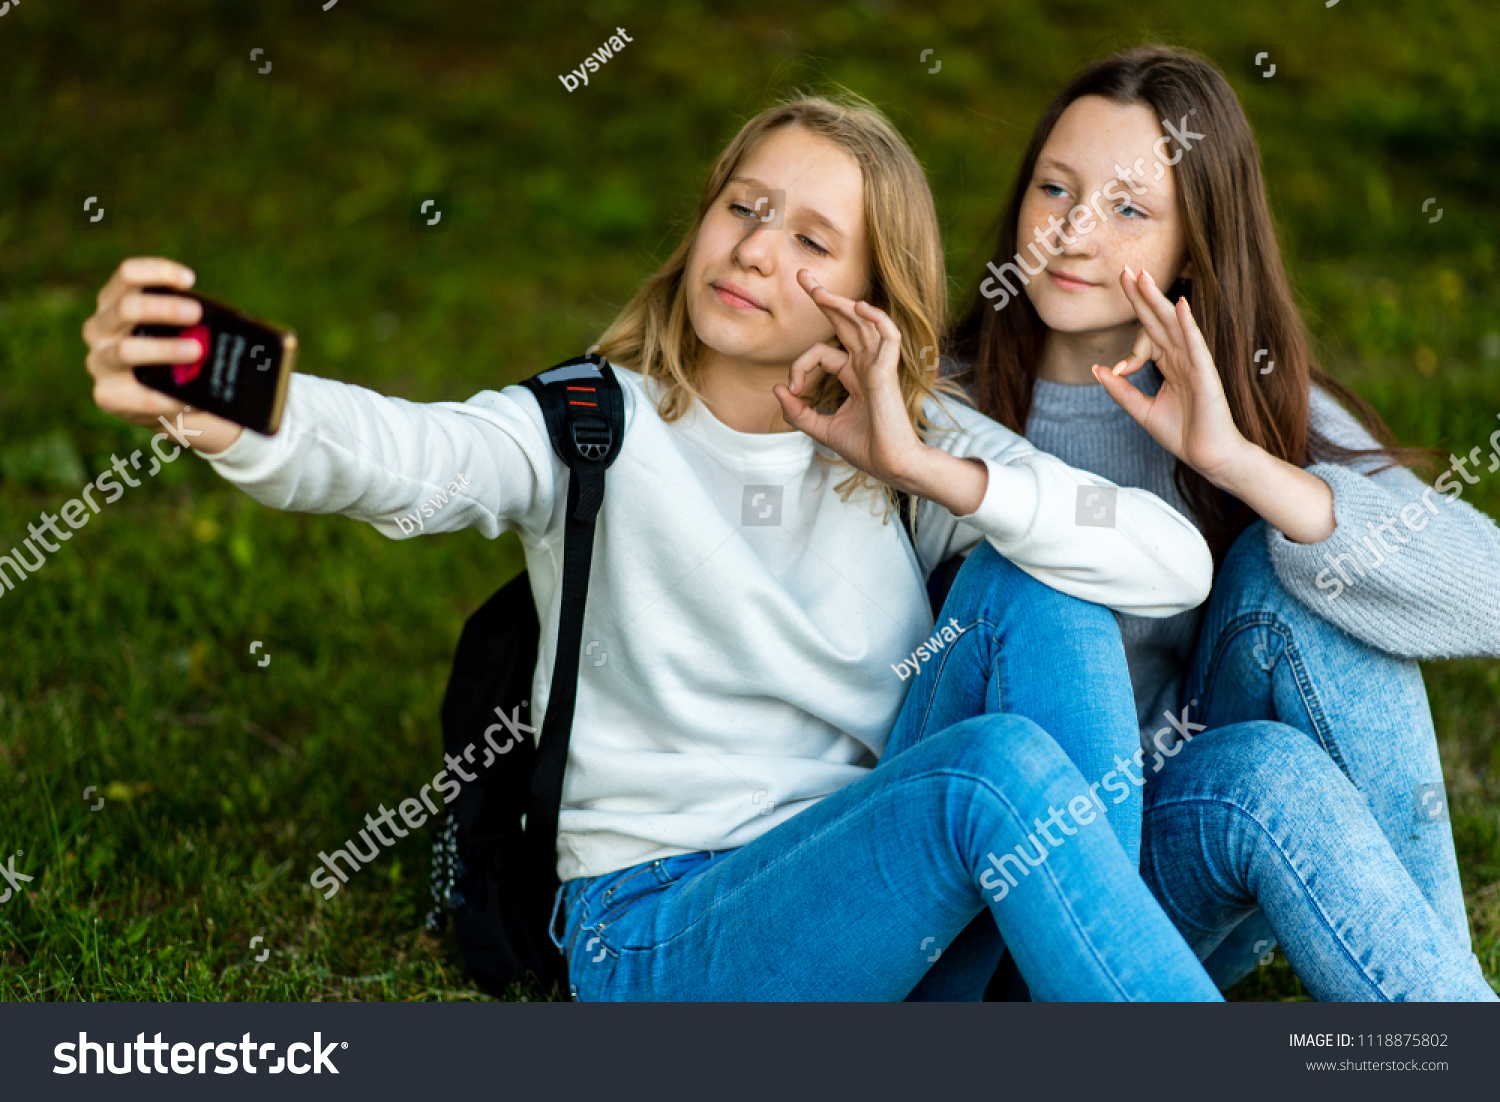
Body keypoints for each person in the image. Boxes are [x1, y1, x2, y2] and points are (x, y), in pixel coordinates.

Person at [82, 92, 1225, 1001]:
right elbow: (411, 459)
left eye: (815, 238)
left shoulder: (903, 442)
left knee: (1052, 592)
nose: (758, 249)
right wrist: (237, 408)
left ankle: (1066, 1000)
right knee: (995, 773)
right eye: (744, 208)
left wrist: (919, 465)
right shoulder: (594, 427)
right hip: (666, 932)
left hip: (869, 906)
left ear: (873, 302)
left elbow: (1173, 563)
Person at [947, 45, 1499, 1000]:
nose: (1072, 232)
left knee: (1304, 577)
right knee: (1266, 764)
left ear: (1193, 245)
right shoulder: (941, 408)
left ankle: (1441, 1018)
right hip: (999, 894)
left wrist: (1240, 462)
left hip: (1177, 870)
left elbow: (1486, 589)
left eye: (1127, 209)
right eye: (1054, 189)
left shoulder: (1239, 396)